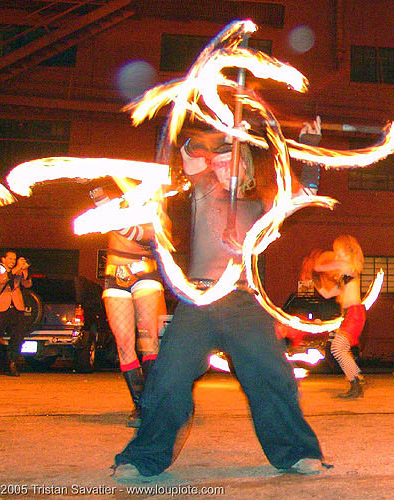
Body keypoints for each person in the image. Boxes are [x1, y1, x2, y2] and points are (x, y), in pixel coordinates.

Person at [111, 126, 330, 482]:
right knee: (167, 378)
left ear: (244, 166)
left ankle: (295, 453)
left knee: (273, 376)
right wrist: (213, 134)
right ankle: (145, 456)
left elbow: (303, 195)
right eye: (219, 160)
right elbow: (186, 152)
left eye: (232, 160)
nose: (225, 167)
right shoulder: (202, 191)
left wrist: (309, 146)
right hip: (198, 303)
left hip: (244, 302)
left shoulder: (259, 204)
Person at [89, 182, 167, 427]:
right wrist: (94, 183)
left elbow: (131, 232)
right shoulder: (120, 207)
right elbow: (111, 218)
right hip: (115, 275)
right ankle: (141, 404)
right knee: (123, 343)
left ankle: (154, 402)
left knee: (149, 341)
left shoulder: (157, 217)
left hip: (145, 275)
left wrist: (100, 198)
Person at [312, 235, 366, 399]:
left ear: (346, 251)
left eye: (337, 251)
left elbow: (322, 267)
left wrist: (317, 264)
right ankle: (356, 382)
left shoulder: (349, 265)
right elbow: (328, 293)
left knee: (337, 348)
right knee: (339, 349)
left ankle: (357, 381)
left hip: (355, 314)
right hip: (349, 315)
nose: (335, 255)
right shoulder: (345, 276)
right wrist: (314, 280)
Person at [0, 251, 32, 377]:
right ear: (3, 259)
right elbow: (1, 280)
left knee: (18, 337)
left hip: (17, 307)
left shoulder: (18, 271)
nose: (12, 261)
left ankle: (12, 363)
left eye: (14, 259)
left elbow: (28, 283)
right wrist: (16, 268)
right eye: (10, 258)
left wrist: (25, 270)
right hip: (2, 308)